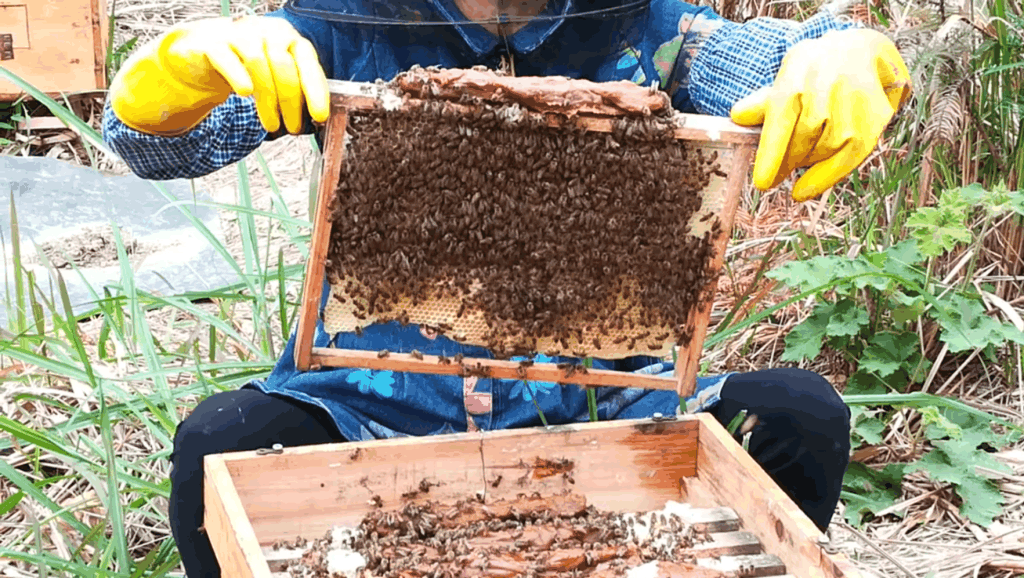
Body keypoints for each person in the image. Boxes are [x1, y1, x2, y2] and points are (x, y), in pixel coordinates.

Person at [103, 1, 912, 576]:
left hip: (606, 405)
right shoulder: (342, 25)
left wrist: (843, 50)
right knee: (221, 443)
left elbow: (773, 55)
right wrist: (178, 74)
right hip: (373, 405)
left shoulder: (653, 32)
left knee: (796, 416)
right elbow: (156, 146)